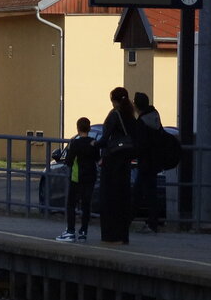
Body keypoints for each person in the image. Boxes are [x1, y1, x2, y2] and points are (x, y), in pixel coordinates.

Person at [95, 86, 136, 244]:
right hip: (125, 160)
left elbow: (105, 138)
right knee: (123, 198)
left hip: (112, 161)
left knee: (109, 198)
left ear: (114, 101)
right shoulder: (130, 115)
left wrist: (94, 144)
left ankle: (110, 235)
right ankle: (123, 235)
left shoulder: (114, 114)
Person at [57, 117, 98, 242]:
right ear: (89, 128)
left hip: (77, 177)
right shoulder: (93, 143)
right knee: (86, 205)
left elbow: (69, 161)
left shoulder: (75, 143)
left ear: (78, 128)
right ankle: (83, 232)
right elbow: (98, 158)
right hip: (90, 177)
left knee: (71, 204)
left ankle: (70, 231)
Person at [133, 92, 163, 234]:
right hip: (155, 160)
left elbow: (140, 144)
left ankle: (129, 220)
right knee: (151, 193)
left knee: (137, 192)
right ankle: (153, 223)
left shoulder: (141, 122)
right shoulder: (155, 116)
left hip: (145, 161)